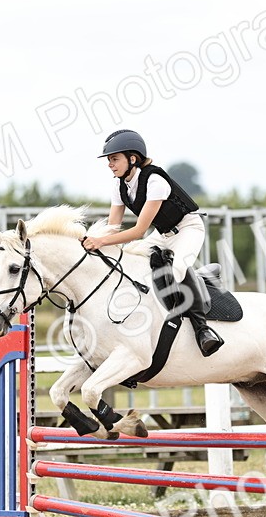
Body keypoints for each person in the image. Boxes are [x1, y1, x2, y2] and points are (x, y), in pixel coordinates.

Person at [80, 129, 224, 357]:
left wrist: (101, 240)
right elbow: (113, 227)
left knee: (176, 269)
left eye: (114, 158)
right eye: (109, 160)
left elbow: (138, 231)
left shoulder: (155, 181)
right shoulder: (119, 186)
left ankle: (202, 329)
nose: (110, 164)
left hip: (188, 229)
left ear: (133, 158)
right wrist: (92, 241)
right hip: (163, 234)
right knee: (133, 258)